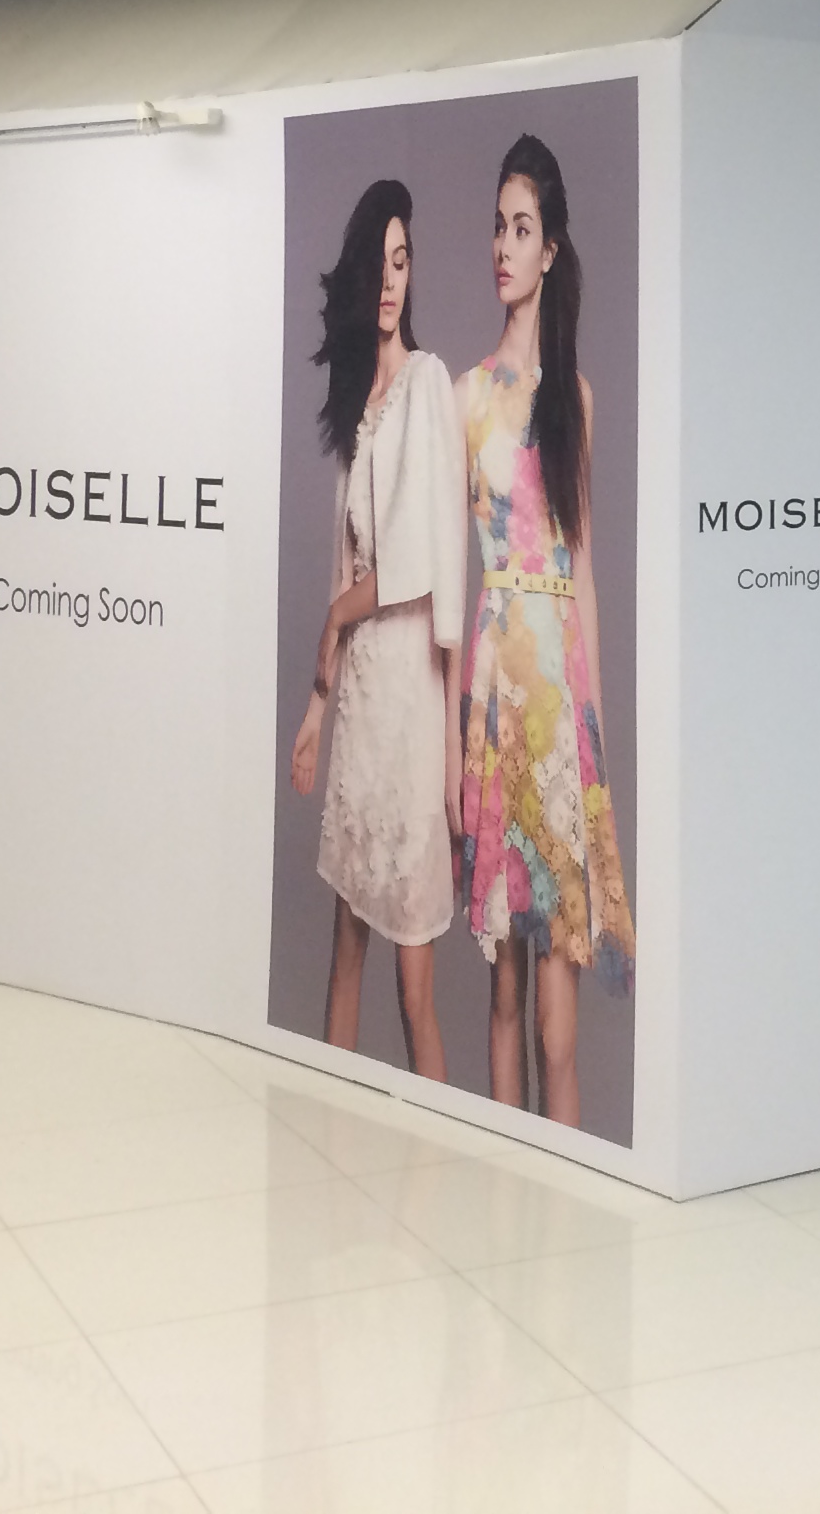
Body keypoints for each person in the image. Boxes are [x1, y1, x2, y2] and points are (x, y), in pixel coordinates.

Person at [459, 135, 635, 1126]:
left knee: (557, 1013)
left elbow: (586, 575)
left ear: (551, 250)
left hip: (560, 719)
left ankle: (562, 1195)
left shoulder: (575, 400)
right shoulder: (469, 397)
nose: (503, 246)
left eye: (521, 229)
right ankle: (502, 1190)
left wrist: (592, 741)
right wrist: (460, 737)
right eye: (497, 226)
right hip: (496, 707)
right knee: (504, 991)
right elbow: (465, 585)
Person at [289, 182, 469, 1075]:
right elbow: (344, 564)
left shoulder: (429, 384)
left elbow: (414, 563)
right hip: (362, 706)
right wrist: (314, 715)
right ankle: (333, 1143)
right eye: (380, 264)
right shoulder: (358, 409)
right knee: (345, 953)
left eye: (403, 262)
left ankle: (432, 1152)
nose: (392, 281)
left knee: (413, 987)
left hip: (411, 709)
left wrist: (336, 616)